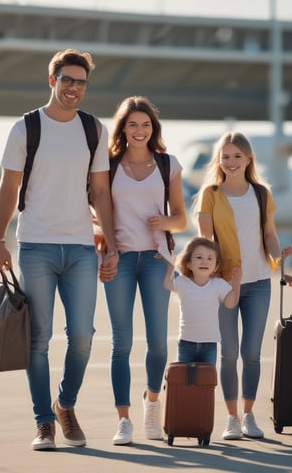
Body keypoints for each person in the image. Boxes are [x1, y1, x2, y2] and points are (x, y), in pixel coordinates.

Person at [0, 49, 118, 451]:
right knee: (39, 338)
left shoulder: (94, 129)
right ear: (52, 80)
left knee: (82, 336)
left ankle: (65, 404)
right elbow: (9, 187)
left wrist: (111, 244)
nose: (74, 88)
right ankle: (43, 421)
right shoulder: (26, 128)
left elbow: (100, 190)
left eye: (81, 82)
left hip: (81, 246)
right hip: (36, 245)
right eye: (67, 80)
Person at [193, 131, 292, 440]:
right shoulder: (210, 193)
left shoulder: (261, 193)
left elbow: (269, 235)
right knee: (229, 353)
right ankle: (232, 418)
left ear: (248, 158)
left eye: (237, 156)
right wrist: (206, 278)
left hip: (259, 282)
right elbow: (205, 241)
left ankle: (249, 415)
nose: (231, 162)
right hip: (224, 284)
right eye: (225, 156)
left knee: (251, 352)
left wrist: (281, 260)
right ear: (218, 161)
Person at [100, 96, 187, 446]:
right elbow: (95, 209)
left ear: (154, 128)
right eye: (133, 124)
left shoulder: (168, 164)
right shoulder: (107, 164)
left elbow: (182, 218)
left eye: (146, 124)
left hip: (155, 260)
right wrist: (106, 249)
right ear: (123, 128)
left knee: (157, 344)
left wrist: (167, 220)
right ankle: (123, 420)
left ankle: (152, 403)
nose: (140, 130)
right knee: (121, 343)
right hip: (119, 261)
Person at [164, 236, 241, 365]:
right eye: (199, 257)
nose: (204, 262)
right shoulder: (183, 283)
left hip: (209, 345)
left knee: (207, 382)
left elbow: (230, 303)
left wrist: (236, 284)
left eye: (210, 258)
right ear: (188, 263)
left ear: (216, 266)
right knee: (184, 382)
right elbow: (167, 284)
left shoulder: (218, 284)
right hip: (185, 343)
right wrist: (171, 265)